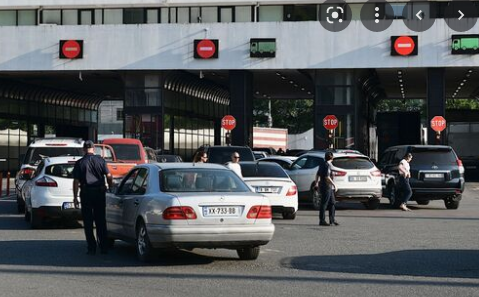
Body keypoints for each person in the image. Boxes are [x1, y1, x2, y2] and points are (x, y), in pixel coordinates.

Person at [73, 140, 113, 255]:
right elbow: (109, 176)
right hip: (99, 193)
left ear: (84, 149)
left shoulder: (80, 163)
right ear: (94, 149)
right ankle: (104, 246)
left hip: (86, 193)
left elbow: (76, 181)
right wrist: (110, 187)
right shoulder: (101, 160)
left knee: (88, 221)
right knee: (100, 220)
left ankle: (91, 247)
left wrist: (75, 197)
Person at [314, 152, 339, 226]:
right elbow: (327, 177)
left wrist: (316, 183)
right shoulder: (327, 165)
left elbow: (317, 174)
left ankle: (332, 220)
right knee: (324, 203)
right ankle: (322, 220)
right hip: (327, 186)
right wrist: (334, 184)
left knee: (332, 203)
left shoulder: (322, 164)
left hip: (326, 186)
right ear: (332, 158)